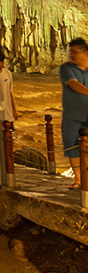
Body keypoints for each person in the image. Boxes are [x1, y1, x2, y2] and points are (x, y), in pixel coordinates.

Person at [60, 38, 88, 187]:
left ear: (85, 53)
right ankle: (78, 179)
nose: (72, 55)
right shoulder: (67, 69)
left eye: (76, 52)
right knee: (72, 146)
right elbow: (73, 84)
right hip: (72, 115)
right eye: (71, 52)